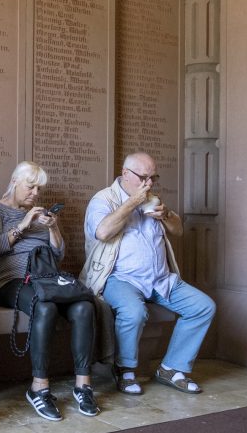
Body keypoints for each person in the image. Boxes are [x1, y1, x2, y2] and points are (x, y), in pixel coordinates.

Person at [81, 151, 215, 396]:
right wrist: (132, 203)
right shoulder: (103, 199)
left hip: (159, 279)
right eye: (143, 177)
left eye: (153, 177)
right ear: (125, 174)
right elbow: (102, 232)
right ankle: (125, 370)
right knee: (133, 312)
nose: (149, 183)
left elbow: (178, 230)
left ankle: (171, 368)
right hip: (119, 278)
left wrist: (166, 215)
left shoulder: (151, 198)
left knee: (203, 306)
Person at [0, 161, 99, 421]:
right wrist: (23, 224)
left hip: (46, 279)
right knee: (44, 306)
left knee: (84, 306)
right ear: (14, 181)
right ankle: (39, 388)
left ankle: (83, 384)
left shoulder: (42, 213)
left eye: (38, 189)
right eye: (30, 186)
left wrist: (53, 227)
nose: (35, 193)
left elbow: (58, 254)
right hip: (10, 281)